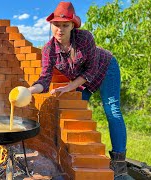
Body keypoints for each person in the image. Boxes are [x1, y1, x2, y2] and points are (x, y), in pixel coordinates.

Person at [28, 2, 133, 179]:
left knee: (112, 109)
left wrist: (69, 86)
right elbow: (45, 80)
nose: (60, 30)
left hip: (106, 68)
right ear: (51, 25)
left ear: (72, 25)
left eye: (65, 25)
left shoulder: (85, 38)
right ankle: (84, 157)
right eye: (56, 25)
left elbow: (91, 70)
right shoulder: (48, 50)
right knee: (76, 115)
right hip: (82, 80)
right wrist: (29, 90)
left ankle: (119, 163)